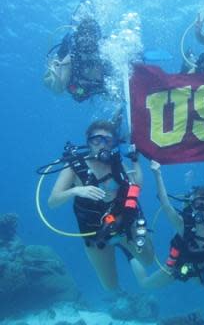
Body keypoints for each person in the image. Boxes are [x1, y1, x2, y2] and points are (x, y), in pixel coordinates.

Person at [48, 120, 153, 290]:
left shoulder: (117, 163)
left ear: (113, 143)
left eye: (108, 140)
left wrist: (135, 162)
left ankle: (128, 252)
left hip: (123, 223)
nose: (102, 145)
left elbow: (136, 185)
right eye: (96, 140)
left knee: (148, 260)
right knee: (110, 286)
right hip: (96, 234)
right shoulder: (74, 167)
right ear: (88, 141)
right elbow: (53, 201)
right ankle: (123, 257)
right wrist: (76, 191)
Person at [131, 160, 204, 288]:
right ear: (192, 205)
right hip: (177, 268)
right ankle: (130, 256)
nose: (200, 208)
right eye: (198, 204)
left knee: (203, 287)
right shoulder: (183, 225)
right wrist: (157, 174)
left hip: (199, 269)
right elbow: (166, 205)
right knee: (145, 285)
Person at [44, 17, 110, 102]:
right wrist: (56, 78)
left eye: (92, 36)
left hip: (101, 87)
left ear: (97, 39)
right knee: (79, 92)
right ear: (78, 38)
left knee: (109, 91)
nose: (87, 41)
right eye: (84, 36)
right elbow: (59, 89)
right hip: (79, 90)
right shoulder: (72, 58)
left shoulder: (105, 52)